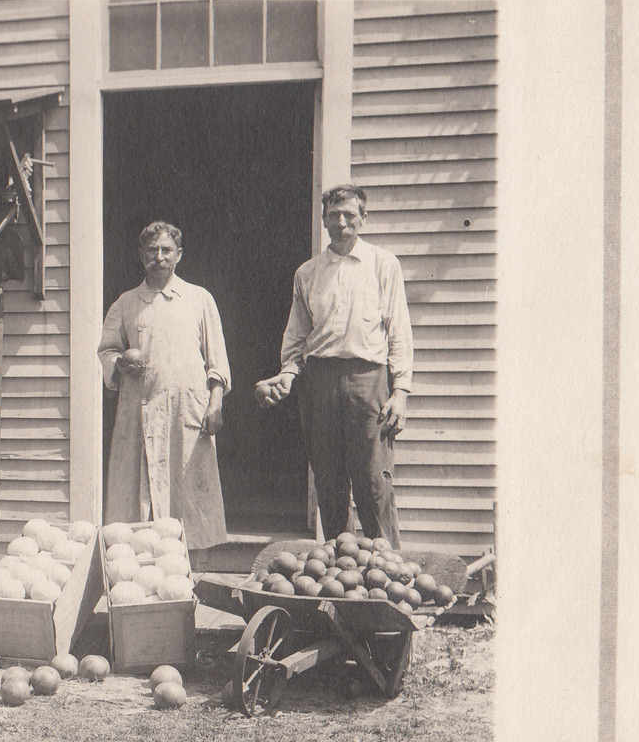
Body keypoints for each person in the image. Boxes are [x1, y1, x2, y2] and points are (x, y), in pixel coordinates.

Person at [255, 185, 414, 547]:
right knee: (328, 481)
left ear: (363, 217)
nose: (341, 222)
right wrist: (287, 374)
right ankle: (342, 572)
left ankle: (387, 573)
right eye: (333, 215)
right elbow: (297, 336)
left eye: (349, 214)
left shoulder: (383, 264)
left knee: (374, 482)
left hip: (369, 380)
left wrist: (401, 392)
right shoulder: (308, 273)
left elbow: (399, 332)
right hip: (320, 381)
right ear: (324, 219)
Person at [97, 221, 231, 549]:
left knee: (189, 491)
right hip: (139, 408)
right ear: (141, 255)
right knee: (137, 495)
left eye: (166, 250)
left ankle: (193, 570)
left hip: (187, 412)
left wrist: (215, 403)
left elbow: (218, 361)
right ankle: (142, 563)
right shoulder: (126, 303)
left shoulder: (199, 299)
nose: (159, 257)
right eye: (152, 250)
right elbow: (107, 350)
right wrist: (119, 362)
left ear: (179, 255)